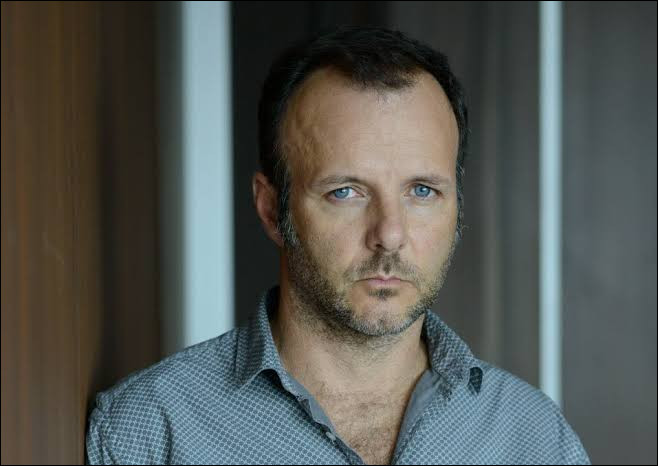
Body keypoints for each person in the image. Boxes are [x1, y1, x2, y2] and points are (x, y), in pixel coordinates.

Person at [86, 26, 590, 465]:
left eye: (421, 191)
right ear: (271, 210)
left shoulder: (534, 439)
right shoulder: (152, 431)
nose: (389, 233)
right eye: (346, 192)